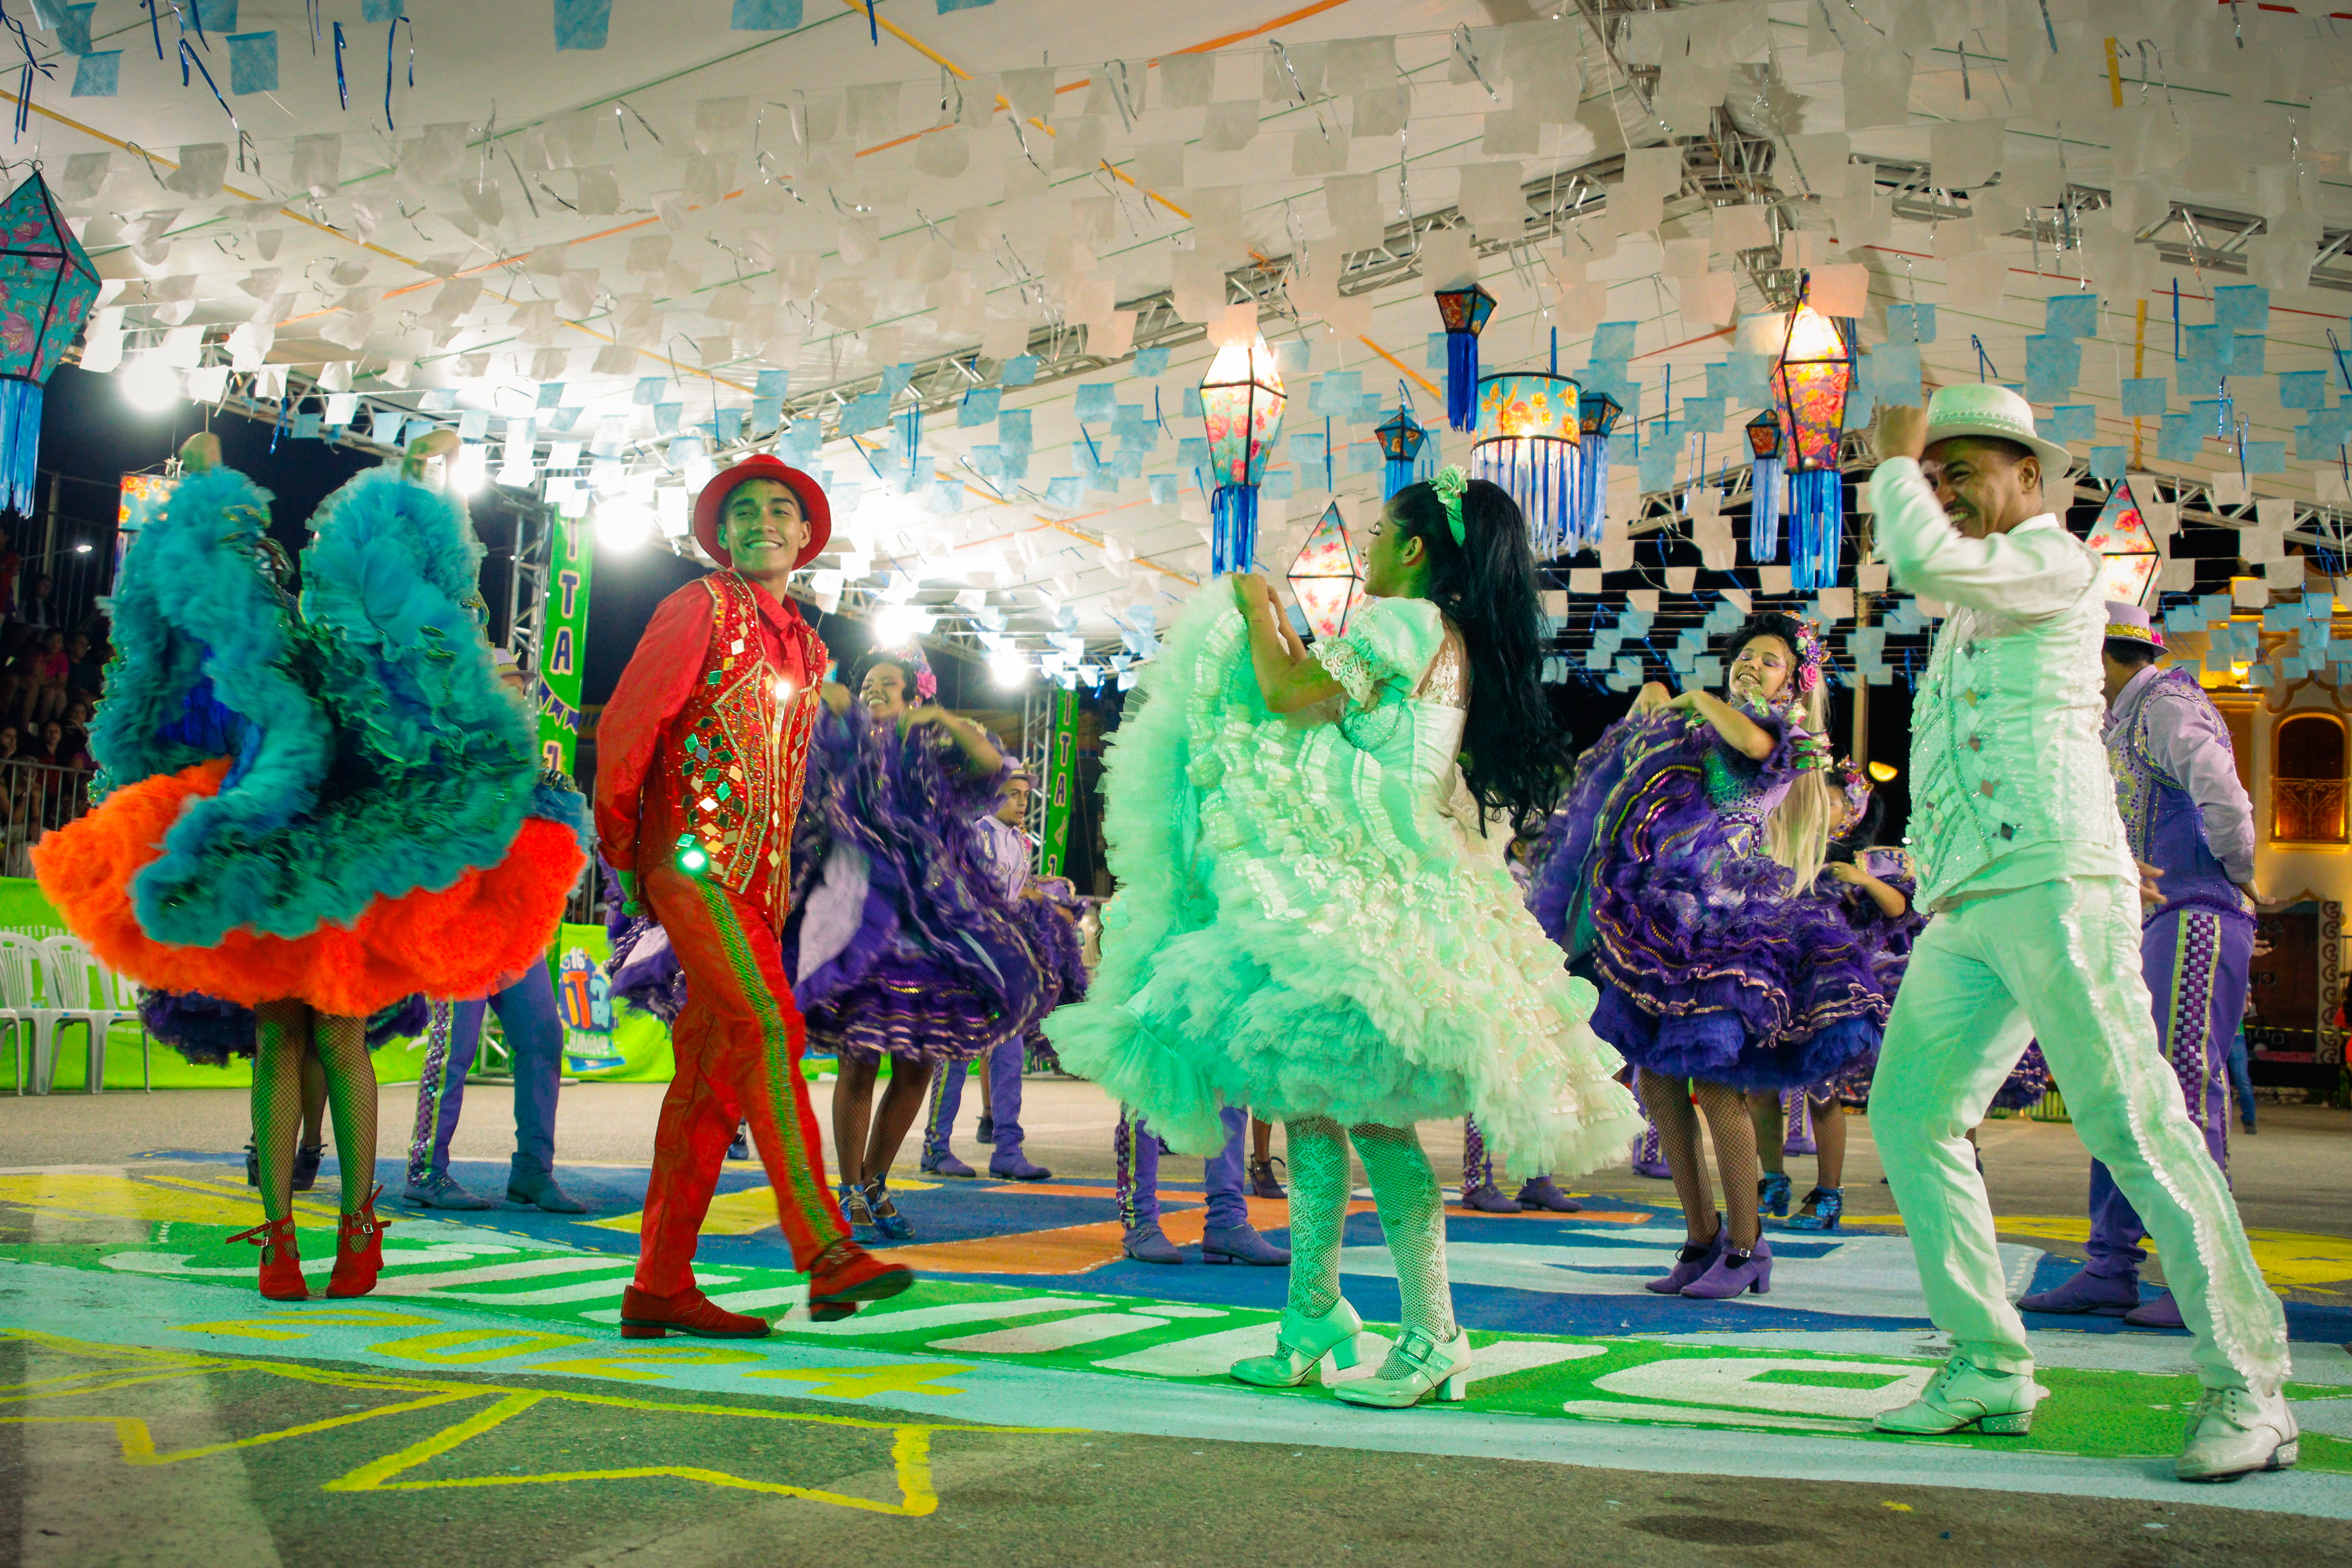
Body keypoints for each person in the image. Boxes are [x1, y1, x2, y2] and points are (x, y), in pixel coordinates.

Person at [1050, 468, 1642, 1407]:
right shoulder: (1445, 636)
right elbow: (1325, 697)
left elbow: (1288, 692)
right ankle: (1312, 1314)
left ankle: (1435, 1331)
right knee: (1314, 1104)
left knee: (1370, 1118)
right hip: (1396, 868)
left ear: (1413, 548)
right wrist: (1282, 632)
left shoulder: (1401, 621)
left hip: (1363, 875)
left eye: (1378, 534)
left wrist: (1255, 605)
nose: (1366, 552)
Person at [34, 430, 589, 1301]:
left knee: (319, 1034)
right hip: (283, 854)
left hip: (333, 855)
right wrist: (205, 482)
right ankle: (303, 1236)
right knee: (297, 1036)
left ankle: (334, 1230)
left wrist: (427, 481)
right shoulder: (265, 655)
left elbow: (433, 615)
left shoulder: (348, 649)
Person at [1861, 386, 2292, 1482]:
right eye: (1936, 475)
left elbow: (1927, 561)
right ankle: (1987, 1364)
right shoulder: (1975, 602)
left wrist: (1895, 463)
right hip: (1973, 898)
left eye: (1962, 473)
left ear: (2028, 477)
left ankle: (2251, 1385)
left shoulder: (2057, 560)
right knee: (1910, 1114)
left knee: (2132, 1119)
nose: (1945, 492)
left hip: (2051, 886)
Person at [597, 454, 910, 1336]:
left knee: (708, 1086)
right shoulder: (698, 606)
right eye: (744, 510)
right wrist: (626, 854)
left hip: (757, 886)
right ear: (721, 533)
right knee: (770, 1029)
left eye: (780, 509)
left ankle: (658, 1284)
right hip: (692, 862)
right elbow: (628, 726)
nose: (763, 522)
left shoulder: (807, 646)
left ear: (806, 536)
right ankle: (825, 1249)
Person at [1529, 611, 1872, 1299]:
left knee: (1714, 1084)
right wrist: (1656, 702)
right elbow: (1632, 751)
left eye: (1769, 661)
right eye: (1746, 655)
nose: (1751, 665)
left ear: (1793, 684)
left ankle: (1747, 1247)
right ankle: (1700, 1237)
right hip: (1664, 923)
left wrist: (1689, 699)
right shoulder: (1701, 730)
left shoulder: (1787, 737)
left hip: (1724, 926)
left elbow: (1749, 740)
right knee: (1658, 1087)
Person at [2016, 601, 2263, 1330]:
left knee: (2178, 1089)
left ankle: (2207, 1280)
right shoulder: (2123, 719)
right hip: (2150, 920)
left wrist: (2236, 870)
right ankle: (2110, 1266)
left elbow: (2223, 792)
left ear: (2099, 654)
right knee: (2118, 1089)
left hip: (2194, 912)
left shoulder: (2167, 706)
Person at [789, 643, 1049, 1244]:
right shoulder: (845, 746)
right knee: (859, 1059)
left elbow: (994, 765)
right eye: (868, 685)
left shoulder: (933, 751)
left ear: (913, 695)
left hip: (930, 927)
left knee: (918, 1065)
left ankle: (877, 1183)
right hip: (861, 920)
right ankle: (849, 1191)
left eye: (887, 684)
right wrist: (820, 698)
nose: (874, 691)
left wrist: (942, 719)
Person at [1749, 766, 1921, 1232]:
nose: (1822, 808)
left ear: (1853, 811)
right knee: (1760, 1086)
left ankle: (1828, 1195)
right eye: (1815, 800)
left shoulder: (1866, 860)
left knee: (1822, 1091)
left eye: (1834, 801)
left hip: (1829, 986)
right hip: (1775, 978)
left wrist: (1859, 879)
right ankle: (1772, 1181)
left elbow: (1900, 909)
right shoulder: (1777, 849)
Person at [919, 758, 1077, 1182]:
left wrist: (1043, 893)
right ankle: (936, 1147)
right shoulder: (970, 835)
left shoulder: (1021, 843)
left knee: (1010, 1053)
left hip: (1003, 959)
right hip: (967, 956)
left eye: (1026, 796)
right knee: (956, 1053)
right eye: (1013, 794)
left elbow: (1013, 892)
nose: (1022, 803)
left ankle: (1008, 1148)